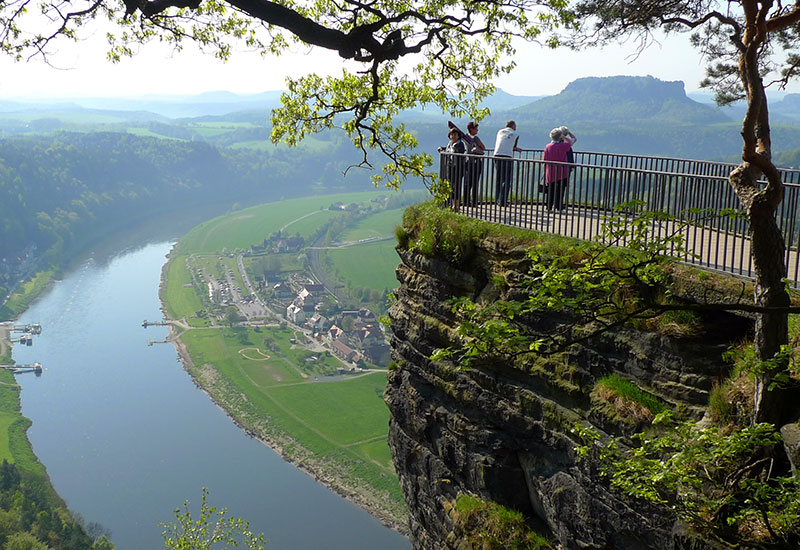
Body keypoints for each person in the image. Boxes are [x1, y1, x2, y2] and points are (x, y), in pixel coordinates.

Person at [544, 126, 577, 211]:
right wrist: (565, 135)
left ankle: (548, 206)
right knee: (560, 190)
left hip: (550, 171)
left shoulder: (548, 146)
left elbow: (545, 159)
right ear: (560, 137)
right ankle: (559, 207)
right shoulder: (563, 146)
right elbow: (571, 141)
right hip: (562, 171)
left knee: (551, 189)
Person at [494, 120, 522, 207]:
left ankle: (497, 199)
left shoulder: (500, 132)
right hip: (507, 156)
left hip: (497, 155)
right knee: (506, 179)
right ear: (513, 126)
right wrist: (516, 148)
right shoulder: (515, 134)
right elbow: (513, 146)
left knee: (499, 178)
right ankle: (503, 200)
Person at [438, 127, 466, 211]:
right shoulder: (450, 143)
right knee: (451, 186)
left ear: (458, 136)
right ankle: (453, 204)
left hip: (458, 167)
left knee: (456, 185)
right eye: (451, 134)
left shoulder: (460, 144)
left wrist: (453, 148)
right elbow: (448, 150)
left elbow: (459, 152)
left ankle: (456, 205)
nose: (453, 136)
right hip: (450, 167)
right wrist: (442, 149)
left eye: (455, 134)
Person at [463, 121, 486, 206]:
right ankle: (474, 201)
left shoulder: (464, 138)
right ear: (472, 129)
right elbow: (483, 147)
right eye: (476, 129)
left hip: (467, 161)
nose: (477, 130)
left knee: (467, 182)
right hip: (476, 162)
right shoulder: (476, 139)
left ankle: (466, 201)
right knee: (475, 182)